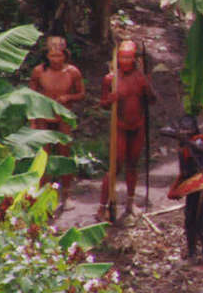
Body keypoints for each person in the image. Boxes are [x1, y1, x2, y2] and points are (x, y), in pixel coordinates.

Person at [97, 40, 157, 221]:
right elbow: (103, 104)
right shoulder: (111, 79)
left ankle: (130, 203)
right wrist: (111, 99)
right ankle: (102, 207)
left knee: (133, 164)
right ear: (117, 58)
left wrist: (148, 87)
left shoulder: (141, 77)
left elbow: (152, 100)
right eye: (122, 57)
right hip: (120, 127)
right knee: (116, 165)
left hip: (138, 126)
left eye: (129, 57)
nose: (125, 60)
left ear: (134, 58)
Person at [28, 36, 85, 215]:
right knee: (43, 156)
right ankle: (43, 195)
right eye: (52, 56)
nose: (56, 60)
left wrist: (68, 98)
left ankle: (66, 195)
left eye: (59, 56)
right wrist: (32, 120)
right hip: (44, 116)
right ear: (47, 56)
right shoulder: (38, 72)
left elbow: (81, 93)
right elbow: (30, 95)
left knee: (64, 155)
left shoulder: (72, 72)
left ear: (65, 55)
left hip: (63, 117)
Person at [162, 115, 203, 263]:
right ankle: (192, 253)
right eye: (183, 129)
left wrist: (187, 141)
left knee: (201, 223)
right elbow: (164, 131)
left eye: (187, 130)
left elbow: (197, 147)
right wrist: (178, 134)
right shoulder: (182, 141)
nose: (185, 132)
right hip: (191, 186)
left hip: (202, 184)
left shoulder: (200, 140)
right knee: (189, 219)